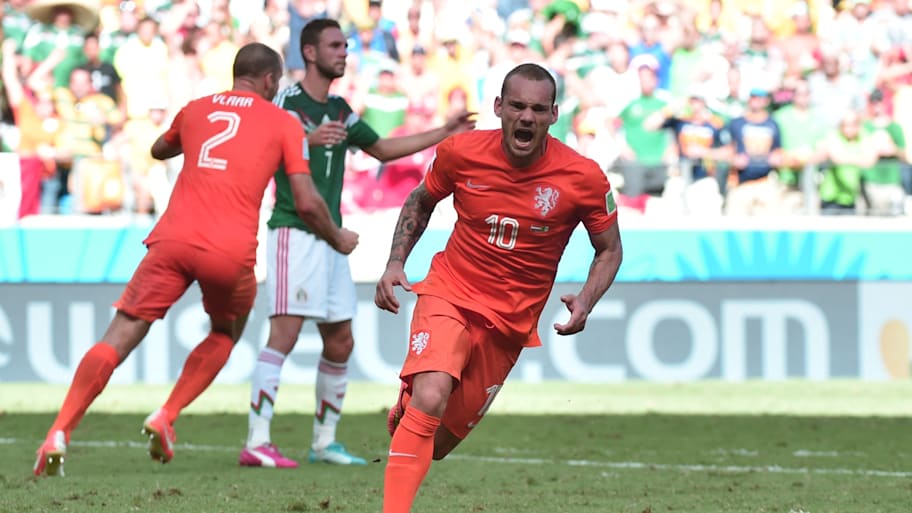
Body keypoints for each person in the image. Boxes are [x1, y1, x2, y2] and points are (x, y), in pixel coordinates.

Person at [33, 42, 359, 477]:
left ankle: (59, 430)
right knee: (226, 331)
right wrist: (336, 237)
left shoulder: (197, 109)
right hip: (229, 251)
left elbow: (158, 149)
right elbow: (306, 201)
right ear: (268, 80)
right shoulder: (284, 123)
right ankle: (167, 414)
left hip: (171, 240)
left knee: (122, 332)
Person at [374, 62, 623, 513]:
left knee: (439, 442)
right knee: (431, 396)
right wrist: (395, 263)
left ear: (553, 115)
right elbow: (421, 200)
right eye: (517, 106)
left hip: (510, 323)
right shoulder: (460, 152)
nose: (526, 117)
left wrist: (587, 300)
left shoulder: (583, 177)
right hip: (450, 290)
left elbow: (609, 249)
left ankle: (410, 407)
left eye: (537, 109)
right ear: (498, 108)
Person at [239, 17, 475, 469]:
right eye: (334, 46)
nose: (344, 53)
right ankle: (256, 440)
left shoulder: (342, 108)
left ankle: (324, 441)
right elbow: (260, 150)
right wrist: (304, 139)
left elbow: (383, 149)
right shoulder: (286, 102)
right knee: (284, 336)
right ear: (309, 52)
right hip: (294, 229)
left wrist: (445, 132)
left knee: (341, 341)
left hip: (331, 236)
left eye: (345, 46)